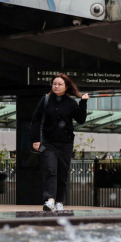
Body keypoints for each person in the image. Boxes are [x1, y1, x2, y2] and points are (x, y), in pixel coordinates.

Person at [30, 74, 90, 213]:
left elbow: (81, 119)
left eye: (59, 84)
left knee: (62, 173)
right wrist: (35, 139)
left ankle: (59, 201)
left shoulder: (71, 102)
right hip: (48, 143)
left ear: (66, 87)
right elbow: (36, 120)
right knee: (50, 169)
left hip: (66, 143)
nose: (56, 86)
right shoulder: (45, 100)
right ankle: (50, 200)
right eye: (54, 84)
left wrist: (83, 102)